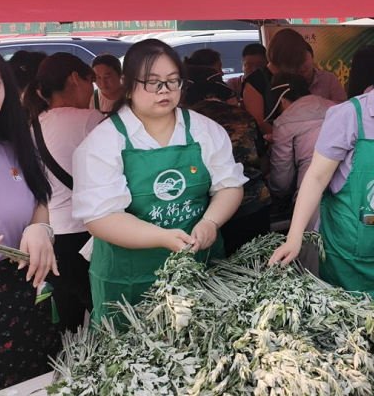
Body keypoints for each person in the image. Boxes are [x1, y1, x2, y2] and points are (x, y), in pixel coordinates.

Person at [72, 39, 245, 324]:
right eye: (152, 82)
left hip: (199, 264)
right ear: (129, 84)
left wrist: (210, 222)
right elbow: (101, 218)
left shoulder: (204, 130)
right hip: (128, 275)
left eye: (172, 81)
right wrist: (162, 237)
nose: (164, 90)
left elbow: (229, 185)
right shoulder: (104, 142)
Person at [268, 40, 374, 319]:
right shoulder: (348, 116)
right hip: (349, 250)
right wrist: (294, 237)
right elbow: (316, 178)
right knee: (351, 329)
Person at [24, 53, 104, 333]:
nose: (92, 91)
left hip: (48, 236)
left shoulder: (31, 125)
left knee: (68, 322)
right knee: (106, 312)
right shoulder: (91, 119)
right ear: (75, 78)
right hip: (86, 234)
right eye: (91, 82)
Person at [0, 57, 60, 390]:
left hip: (22, 291)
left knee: (33, 382)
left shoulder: (16, 147)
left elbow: (39, 200)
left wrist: (39, 228)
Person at [184, 65, 271, 256]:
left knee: (217, 265)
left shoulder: (188, 120)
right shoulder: (243, 115)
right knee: (258, 263)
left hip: (209, 210)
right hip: (253, 203)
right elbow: (263, 161)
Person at [243, 29, 345, 132]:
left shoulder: (295, 78)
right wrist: (280, 138)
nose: (299, 63)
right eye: (298, 56)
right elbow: (258, 122)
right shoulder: (255, 81)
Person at [268, 73, 335, 206]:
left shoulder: (284, 122)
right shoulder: (336, 108)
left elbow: (282, 181)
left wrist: (272, 186)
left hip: (312, 197)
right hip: (350, 190)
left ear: (282, 101)